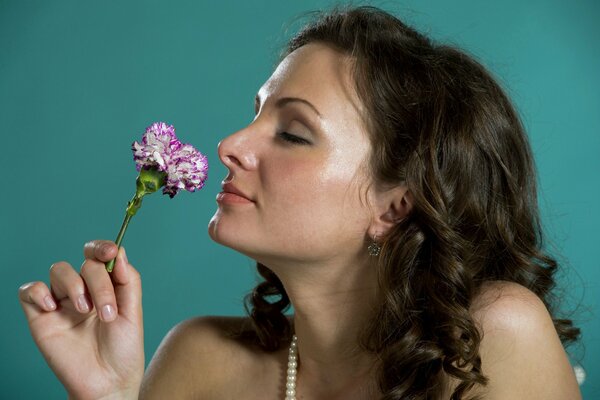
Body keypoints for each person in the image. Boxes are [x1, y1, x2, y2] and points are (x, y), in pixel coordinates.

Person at [18, 6, 582, 400]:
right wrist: (107, 397)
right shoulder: (197, 359)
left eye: (292, 133)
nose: (230, 145)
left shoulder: (492, 341)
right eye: (257, 111)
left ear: (393, 206)